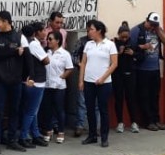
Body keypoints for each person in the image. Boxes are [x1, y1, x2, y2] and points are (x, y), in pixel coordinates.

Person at [0, 10, 28, 154]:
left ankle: (12, 140)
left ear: (6, 22)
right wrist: (13, 51)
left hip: (16, 80)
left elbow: (27, 58)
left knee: (14, 111)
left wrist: (28, 77)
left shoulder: (20, 37)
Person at [79, 19, 118, 148]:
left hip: (104, 83)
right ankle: (92, 135)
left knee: (103, 109)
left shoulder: (109, 44)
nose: (89, 32)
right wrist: (81, 80)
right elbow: (83, 62)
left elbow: (114, 64)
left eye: (91, 29)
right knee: (89, 109)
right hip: (89, 81)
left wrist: (103, 78)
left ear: (99, 30)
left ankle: (104, 136)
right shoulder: (88, 44)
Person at [130, 12, 165, 131]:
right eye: (151, 24)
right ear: (146, 20)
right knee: (144, 96)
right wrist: (143, 47)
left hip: (155, 69)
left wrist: (158, 30)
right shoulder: (137, 30)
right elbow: (131, 47)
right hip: (142, 69)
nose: (152, 26)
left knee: (155, 96)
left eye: (155, 25)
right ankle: (148, 121)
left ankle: (156, 120)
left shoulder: (157, 30)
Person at [19, 23, 50, 148]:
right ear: (35, 32)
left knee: (32, 111)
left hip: (27, 81)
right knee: (31, 111)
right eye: (43, 30)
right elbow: (46, 60)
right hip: (36, 81)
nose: (45, 33)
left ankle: (35, 134)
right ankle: (23, 136)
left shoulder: (24, 42)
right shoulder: (34, 44)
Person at [40, 29, 73, 143]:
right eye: (47, 39)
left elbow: (70, 68)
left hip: (59, 86)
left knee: (59, 109)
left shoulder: (64, 54)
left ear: (58, 41)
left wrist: (62, 77)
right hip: (47, 85)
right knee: (47, 109)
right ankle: (49, 130)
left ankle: (61, 132)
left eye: (50, 39)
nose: (48, 41)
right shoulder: (46, 53)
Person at [112, 22, 139, 134]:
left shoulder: (132, 43)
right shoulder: (113, 44)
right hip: (117, 75)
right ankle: (120, 122)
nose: (124, 39)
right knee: (118, 99)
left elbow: (141, 56)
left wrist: (133, 53)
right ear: (118, 35)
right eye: (122, 37)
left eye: (126, 37)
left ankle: (133, 122)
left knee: (131, 98)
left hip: (130, 74)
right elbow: (110, 59)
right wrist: (119, 52)